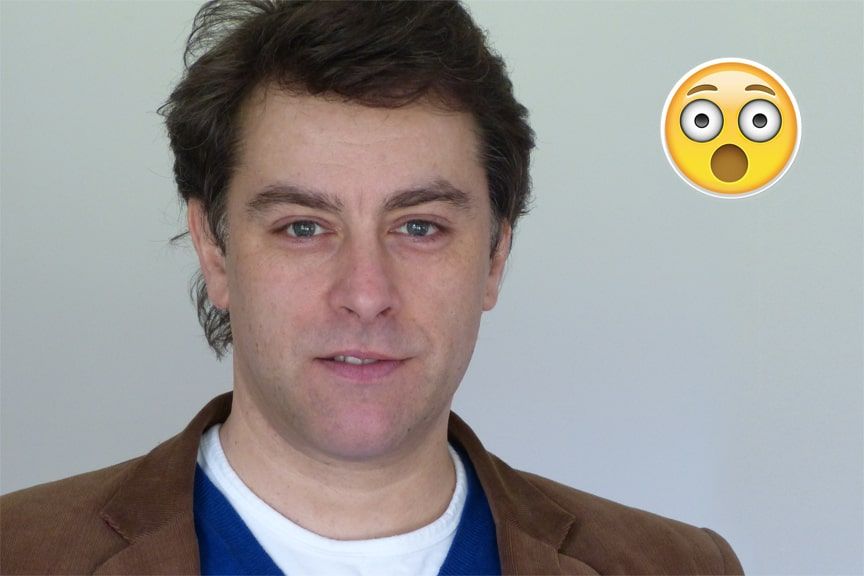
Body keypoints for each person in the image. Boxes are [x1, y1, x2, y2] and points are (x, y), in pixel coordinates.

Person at [1, 1, 743, 574]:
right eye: (302, 227)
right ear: (214, 250)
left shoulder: (679, 567)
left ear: (494, 256)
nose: (365, 293)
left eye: (419, 227)